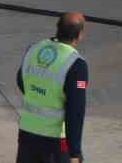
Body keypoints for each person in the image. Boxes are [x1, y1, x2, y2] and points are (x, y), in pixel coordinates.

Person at [15, 12, 88, 163]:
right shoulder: (76, 65)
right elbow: (75, 111)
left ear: (58, 28)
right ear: (80, 35)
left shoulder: (33, 49)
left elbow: (21, 80)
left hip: (27, 133)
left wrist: (40, 95)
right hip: (56, 141)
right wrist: (74, 152)